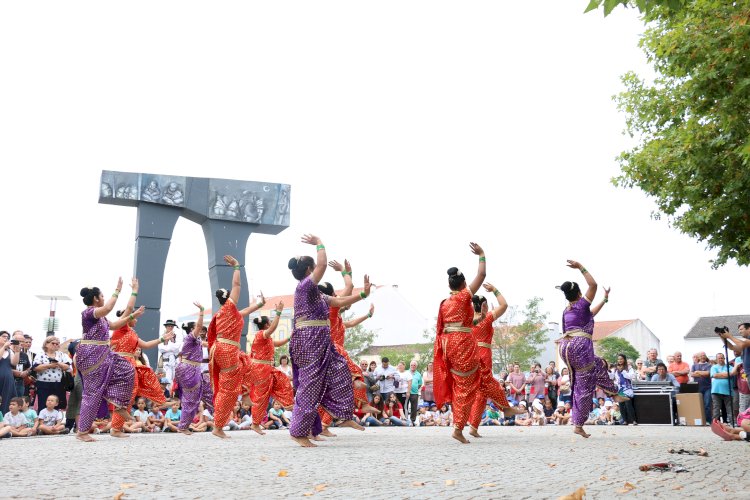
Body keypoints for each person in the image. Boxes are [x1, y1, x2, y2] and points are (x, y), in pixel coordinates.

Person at [286, 234, 368, 447]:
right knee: (310, 386)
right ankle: (298, 432)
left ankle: (342, 414)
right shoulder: (304, 286)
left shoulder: (316, 295)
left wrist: (363, 295)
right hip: (309, 342)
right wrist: (319, 243)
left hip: (322, 343)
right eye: (314, 269)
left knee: (341, 371)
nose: (317, 272)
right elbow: (322, 264)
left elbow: (340, 300)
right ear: (308, 271)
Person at [556, 260, 624, 439]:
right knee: (584, 387)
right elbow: (592, 284)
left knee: (599, 364)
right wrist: (580, 267)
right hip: (580, 346)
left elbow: (590, 314)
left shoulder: (568, 310)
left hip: (565, 348)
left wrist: (605, 300)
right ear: (579, 293)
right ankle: (579, 423)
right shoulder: (581, 304)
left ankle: (612, 393)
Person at [433, 242, 493, 443]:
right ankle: (459, 428)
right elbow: (482, 276)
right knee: (469, 386)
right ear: (463, 283)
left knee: (463, 384)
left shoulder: (445, 303)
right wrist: (482, 255)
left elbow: (462, 324)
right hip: (462, 345)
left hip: (448, 346)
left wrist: (479, 318)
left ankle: (461, 424)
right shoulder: (463, 297)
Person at [77, 279, 145, 442]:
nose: (104, 298)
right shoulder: (89, 313)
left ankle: (120, 405)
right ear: (96, 299)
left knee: (128, 370)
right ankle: (82, 432)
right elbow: (108, 308)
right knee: (92, 394)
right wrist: (117, 290)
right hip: (91, 355)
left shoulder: (102, 319)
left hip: (104, 353)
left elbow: (114, 325)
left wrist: (133, 315)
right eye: (102, 295)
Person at [206, 255, 266, 439]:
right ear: (228, 298)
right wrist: (237, 267)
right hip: (227, 349)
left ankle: (245, 394)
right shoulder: (228, 308)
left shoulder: (228, 313)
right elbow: (237, 286)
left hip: (223, 349)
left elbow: (246, 312)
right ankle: (218, 426)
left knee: (246, 364)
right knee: (228, 389)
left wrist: (260, 304)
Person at [109, 279, 175, 437]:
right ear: (128, 317)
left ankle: (159, 400)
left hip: (131, 363)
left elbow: (145, 345)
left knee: (147, 375)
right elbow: (130, 308)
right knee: (129, 393)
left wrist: (162, 338)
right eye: (134, 317)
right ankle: (117, 422)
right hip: (120, 364)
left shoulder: (132, 333)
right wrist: (134, 291)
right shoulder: (121, 327)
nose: (137, 319)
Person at [467, 283, 521, 437]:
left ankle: (473, 427)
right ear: (483, 305)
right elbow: (504, 305)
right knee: (491, 384)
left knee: (481, 393)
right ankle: (505, 407)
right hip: (483, 353)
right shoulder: (486, 318)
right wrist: (495, 290)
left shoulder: (468, 320)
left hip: (471, 354)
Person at [245, 304, 294, 435]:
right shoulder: (262, 334)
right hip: (261, 369)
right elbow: (273, 329)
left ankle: (289, 404)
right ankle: (255, 424)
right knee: (262, 397)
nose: (271, 323)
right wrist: (278, 313)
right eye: (270, 322)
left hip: (266, 369)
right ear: (266, 325)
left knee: (282, 382)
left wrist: (290, 337)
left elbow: (278, 343)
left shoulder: (266, 338)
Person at [175, 303, 214, 435]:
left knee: (203, 395)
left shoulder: (196, 341)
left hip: (194, 370)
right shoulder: (190, 338)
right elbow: (198, 327)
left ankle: (219, 417)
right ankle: (182, 426)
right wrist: (202, 312)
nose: (200, 330)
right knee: (191, 398)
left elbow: (208, 344)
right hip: (189, 369)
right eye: (197, 329)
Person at [32, 336, 72, 413]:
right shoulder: (40, 354)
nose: (56, 345)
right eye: (53, 343)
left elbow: (67, 367)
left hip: (58, 384)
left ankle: (55, 422)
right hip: (43, 384)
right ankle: (42, 422)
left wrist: (58, 364)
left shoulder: (61, 355)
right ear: (46, 344)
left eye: (58, 344)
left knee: (56, 404)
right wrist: (49, 365)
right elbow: (35, 367)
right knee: (43, 403)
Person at [613, 353, 637, 425]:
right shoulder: (616, 369)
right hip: (620, 389)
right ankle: (625, 420)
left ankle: (633, 420)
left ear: (624, 359)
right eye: (618, 359)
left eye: (621, 359)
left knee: (628, 404)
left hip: (627, 388)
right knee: (621, 405)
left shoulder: (629, 367)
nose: (619, 360)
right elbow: (616, 379)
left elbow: (631, 376)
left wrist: (623, 371)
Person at [0, 332, 20, 415]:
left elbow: (14, 363)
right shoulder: (4, 348)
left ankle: (4, 417)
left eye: (8, 337)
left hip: (7, 378)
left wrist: (17, 352)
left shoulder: (9, 351)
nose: (6, 338)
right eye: (4, 336)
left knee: (7, 398)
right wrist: (4, 346)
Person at [710, 352, 733, 424]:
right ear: (716, 359)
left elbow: (732, 374)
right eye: (719, 358)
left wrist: (720, 375)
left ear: (724, 359)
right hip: (716, 390)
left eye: (722, 358)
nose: (720, 359)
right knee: (716, 408)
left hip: (728, 391)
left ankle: (732, 423)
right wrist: (726, 375)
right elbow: (714, 375)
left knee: (729, 408)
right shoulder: (713, 367)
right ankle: (715, 424)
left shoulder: (730, 367)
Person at [690, 351, 712, 421]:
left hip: (707, 388)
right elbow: (692, 374)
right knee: (698, 405)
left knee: (707, 404)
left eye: (704, 355)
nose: (703, 357)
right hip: (697, 388)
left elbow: (707, 374)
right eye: (701, 355)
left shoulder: (709, 365)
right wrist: (702, 373)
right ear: (699, 357)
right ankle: (700, 420)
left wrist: (697, 372)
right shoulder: (694, 365)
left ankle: (708, 420)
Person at [406, 360, 423, 425]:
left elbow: (420, 384)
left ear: (416, 366)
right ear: (410, 366)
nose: (413, 366)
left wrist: (415, 388)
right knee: (405, 406)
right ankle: (405, 419)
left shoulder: (418, 374)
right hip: (406, 392)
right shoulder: (406, 372)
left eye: (414, 365)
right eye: (411, 365)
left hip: (414, 393)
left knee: (414, 407)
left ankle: (412, 420)